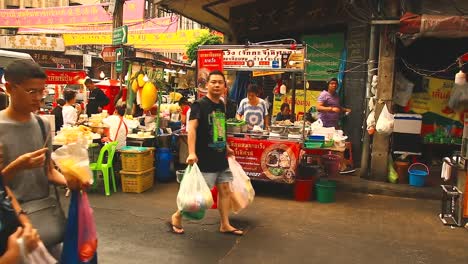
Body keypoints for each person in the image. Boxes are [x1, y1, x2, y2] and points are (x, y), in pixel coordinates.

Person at [0, 60, 84, 254]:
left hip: (46, 218)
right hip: (11, 225)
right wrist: (18, 166)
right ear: (10, 88)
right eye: (32, 92)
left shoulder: (42, 125)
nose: (38, 98)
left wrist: (70, 182)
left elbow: (49, 171)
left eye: (42, 91)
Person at [170, 70, 243, 236]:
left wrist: (226, 147)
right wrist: (191, 152)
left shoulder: (221, 105)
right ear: (207, 85)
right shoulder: (199, 105)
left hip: (220, 156)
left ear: (225, 87)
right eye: (213, 82)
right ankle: (177, 216)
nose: (217, 85)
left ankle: (225, 224)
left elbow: (220, 129)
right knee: (198, 196)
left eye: (220, 82)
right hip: (204, 158)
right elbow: (192, 129)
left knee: (225, 190)